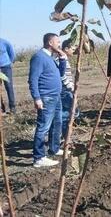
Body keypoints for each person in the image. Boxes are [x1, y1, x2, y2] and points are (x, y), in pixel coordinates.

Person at [28, 33, 67, 167]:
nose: (59, 44)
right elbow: (33, 80)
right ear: (50, 43)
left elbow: (60, 74)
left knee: (57, 123)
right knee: (43, 127)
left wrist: (63, 60)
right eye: (58, 42)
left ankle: (54, 148)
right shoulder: (39, 57)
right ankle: (38, 158)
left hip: (56, 96)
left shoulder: (51, 58)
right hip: (46, 97)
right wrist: (37, 98)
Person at [59, 40, 80, 139]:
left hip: (67, 89)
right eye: (72, 48)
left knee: (72, 111)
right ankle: (65, 136)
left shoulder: (65, 59)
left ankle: (66, 135)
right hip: (65, 90)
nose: (74, 50)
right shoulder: (62, 59)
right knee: (67, 113)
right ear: (66, 49)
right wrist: (70, 87)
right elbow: (62, 76)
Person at [0, 37, 16, 114]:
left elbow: (12, 53)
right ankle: (2, 108)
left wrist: (10, 62)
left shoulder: (4, 42)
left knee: (9, 87)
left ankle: (12, 108)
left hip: (6, 68)